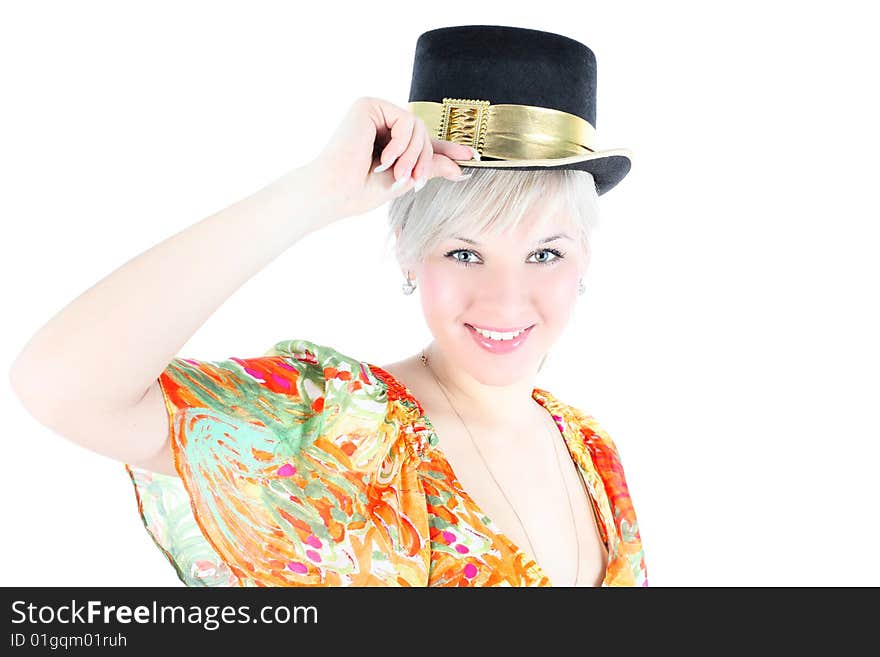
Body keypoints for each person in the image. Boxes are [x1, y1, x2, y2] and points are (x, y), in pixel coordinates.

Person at [9, 25, 647, 587]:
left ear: (584, 259)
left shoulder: (591, 450)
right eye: (463, 253)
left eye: (544, 254)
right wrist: (316, 193)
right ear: (407, 251)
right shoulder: (341, 429)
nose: (506, 300)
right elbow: (64, 386)